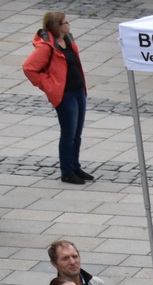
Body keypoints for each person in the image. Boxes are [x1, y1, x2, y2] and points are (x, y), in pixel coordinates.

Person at [25, 11, 89, 184]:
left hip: (78, 91)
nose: (69, 25)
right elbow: (29, 68)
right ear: (57, 26)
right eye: (66, 23)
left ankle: (75, 166)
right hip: (65, 95)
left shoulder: (68, 40)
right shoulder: (47, 47)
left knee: (77, 134)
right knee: (69, 134)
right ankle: (67, 172)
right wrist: (49, 85)